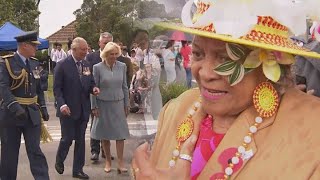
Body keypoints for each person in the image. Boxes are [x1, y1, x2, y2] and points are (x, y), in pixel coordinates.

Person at [132, 1, 320, 179]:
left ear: (272, 61)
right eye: (198, 54)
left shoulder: (311, 133)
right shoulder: (176, 109)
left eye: (225, 59)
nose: (205, 73)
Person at [0, 31, 50, 180]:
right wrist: (15, 107)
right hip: (11, 115)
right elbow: (3, 87)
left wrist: (43, 108)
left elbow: (39, 89)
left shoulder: (34, 63)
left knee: (35, 151)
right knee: (9, 153)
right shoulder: (6, 63)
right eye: (34, 45)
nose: (36, 48)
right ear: (24, 45)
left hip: (32, 113)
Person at [54, 37, 100, 179]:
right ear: (73, 49)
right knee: (67, 139)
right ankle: (59, 159)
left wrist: (94, 88)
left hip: (83, 109)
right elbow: (57, 89)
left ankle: (77, 170)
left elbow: (90, 82)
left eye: (86, 49)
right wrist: (62, 104)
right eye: (83, 49)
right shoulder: (62, 65)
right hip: (67, 109)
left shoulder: (86, 64)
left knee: (80, 140)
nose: (86, 52)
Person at [90, 42, 130, 174]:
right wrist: (94, 106)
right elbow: (93, 88)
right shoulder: (97, 68)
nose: (114, 56)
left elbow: (125, 86)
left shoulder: (122, 66)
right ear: (105, 54)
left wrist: (127, 104)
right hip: (103, 104)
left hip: (118, 103)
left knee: (120, 135)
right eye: (111, 54)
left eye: (115, 54)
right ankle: (108, 161)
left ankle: (120, 163)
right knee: (105, 135)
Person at [86, 31, 113, 162]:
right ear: (99, 43)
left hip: (110, 97)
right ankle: (94, 150)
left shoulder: (115, 57)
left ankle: (105, 151)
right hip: (95, 95)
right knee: (95, 123)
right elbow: (87, 77)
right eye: (105, 43)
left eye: (109, 43)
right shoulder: (91, 58)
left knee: (108, 123)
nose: (107, 45)